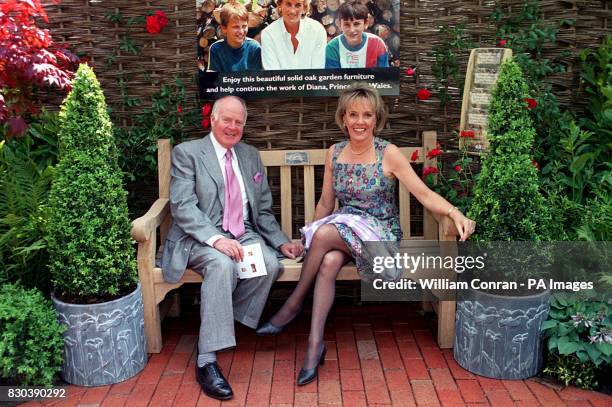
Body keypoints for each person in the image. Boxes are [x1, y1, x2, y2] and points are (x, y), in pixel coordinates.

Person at [256, 84, 476, 385]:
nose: (360, 122)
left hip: (378, 234)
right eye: (353, 114)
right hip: (345, 228)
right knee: (330, 260)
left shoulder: (389, 153)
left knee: (324, 238)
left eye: (367, 115)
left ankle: (292, 305)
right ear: (343, 118)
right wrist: (308, 238)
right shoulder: (334, 153)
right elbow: (325, 203)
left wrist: (454, 212)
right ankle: (314, 345)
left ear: (376, 119)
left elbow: (423, 194)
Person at [160, 95, 303, 400]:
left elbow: (262, 210)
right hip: (200, 238)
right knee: (222, 265)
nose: (233, 127)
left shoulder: (250, 155)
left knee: (271, 264)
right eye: (227, 119)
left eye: (239, 122)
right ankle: (206, 359)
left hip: (244, 232)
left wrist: (280, 242)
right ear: (213, 119)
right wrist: (217, 240)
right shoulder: (188, 153)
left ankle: (219, 320)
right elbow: (183, 206)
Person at [261, 0, 327, 69]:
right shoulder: (268, 34)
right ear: (280, 5)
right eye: (288, 4)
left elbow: (318, 73)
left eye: (298, 5)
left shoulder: (318, 30)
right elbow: (273, 75)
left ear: (304, 8)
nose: (292, 11)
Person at [325, 0, 389, 68]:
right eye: (346, 24)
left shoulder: (378, 44)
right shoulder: (332, 47)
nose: (352, 30)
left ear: (366, 23)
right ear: (339, 25)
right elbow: (333, 77)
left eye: (356, 24)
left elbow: (384, 76)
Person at [207, 2, 262, 72]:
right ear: (224, 28)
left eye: (244, 26)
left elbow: (258, 79)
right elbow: (214, 80)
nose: (241, 31)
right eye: (236, 27)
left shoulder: (254, 48)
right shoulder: (216, 49)